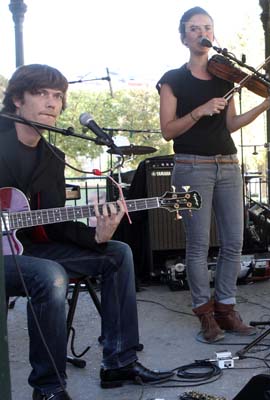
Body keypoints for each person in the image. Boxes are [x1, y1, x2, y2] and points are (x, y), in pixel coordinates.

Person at [1, 64, 172, 400]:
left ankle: (119, 361)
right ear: (18, 100)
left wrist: (98, 236)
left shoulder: (52, 156)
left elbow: (54, 224)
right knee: (50, 276)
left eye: (57, 96)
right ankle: (49, 388)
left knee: (117, 253)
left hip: (26, 250)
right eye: (41, 93)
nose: (51, 103)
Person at [157, 7, 270, 343]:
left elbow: (231, 124)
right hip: (190, 167)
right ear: (184, 36)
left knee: (234, 242)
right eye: (195, 28)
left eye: (208, 28)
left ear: (213, 35)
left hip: (229, 165)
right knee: (198, 244)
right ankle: (205, 313)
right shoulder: (172, 79)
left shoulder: (226, 77)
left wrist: (265, 105)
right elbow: (167, 131)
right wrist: (199, 111)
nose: (203, 33)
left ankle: (227, 309)